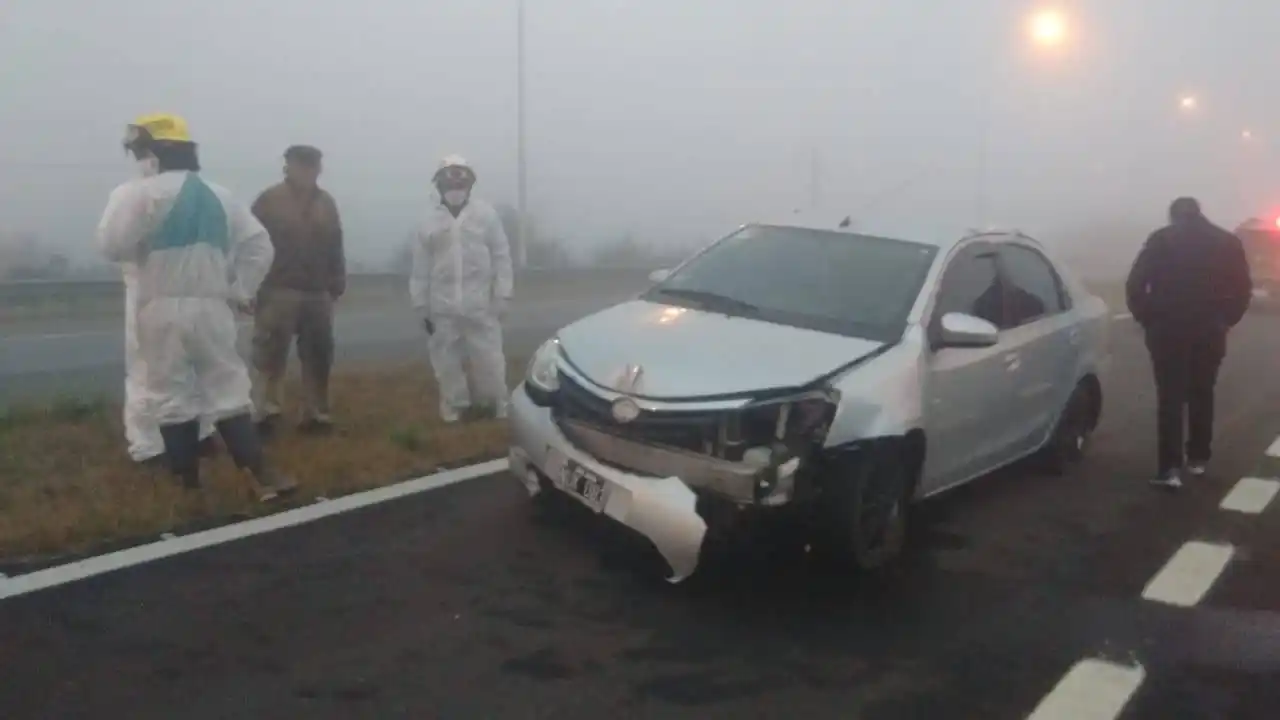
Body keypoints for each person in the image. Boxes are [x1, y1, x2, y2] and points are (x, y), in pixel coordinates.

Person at [95, 112, 296, 500]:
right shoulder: (221, 195)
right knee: (228, 388)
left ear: (153, 153)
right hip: (213, 307)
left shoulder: (137, 194)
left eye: (140, 151)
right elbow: (260, 246)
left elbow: (110, 246)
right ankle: (261, 474)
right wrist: (241, 291)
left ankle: (188, 486)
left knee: (170, 396)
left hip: (160, 307)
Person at [1125, 197, 1253, 489]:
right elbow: (1243, 289)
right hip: (1210, 329)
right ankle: (1198, 458)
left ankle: (1169, 469)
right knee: (1202, 391)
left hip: (1167, 328)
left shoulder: (1161, 240)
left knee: (1170, 397)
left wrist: (1147, 317)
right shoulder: (1227, 242)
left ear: (1173, 215)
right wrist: (1226, 320)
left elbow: (1135, 283)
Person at [249, 145, 346, 435]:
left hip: (317, 292)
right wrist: (250, 285)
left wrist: (337, 279)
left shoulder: (326, 203)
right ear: (287, 166)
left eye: (311, 164)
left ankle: (316, 414)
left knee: (319, 355)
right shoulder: (268, 200)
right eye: (299, 164)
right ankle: (265, 413)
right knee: (269, 355)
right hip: (277, 290)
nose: (306, 169)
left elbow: (335, 243)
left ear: (319, 168)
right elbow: (250, 244)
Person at [409, 155, 514, 423]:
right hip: (441, 307)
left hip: (481, 305)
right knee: (445, 362)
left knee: (489, 359)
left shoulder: (486, 216)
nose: (455, 189)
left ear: (469, 184)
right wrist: (421, 305)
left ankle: (495, 405)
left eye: (460, 182)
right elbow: (420, 267)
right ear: (439, 186)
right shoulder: (427, 221)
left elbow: (502, 256)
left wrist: (503, 294)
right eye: (449, 182)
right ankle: (455, 407)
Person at [121, 261, 219, 467]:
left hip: (186, 293)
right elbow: (115, 242)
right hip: (150, 296)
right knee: (148, 373)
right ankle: (149, 447)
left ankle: (200, 434)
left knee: (193, 366)